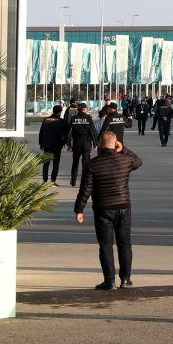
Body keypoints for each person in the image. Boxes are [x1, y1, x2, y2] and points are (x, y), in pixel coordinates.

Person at [74, 129, 142, 290]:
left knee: (105, 246)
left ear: (98, 145)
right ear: (115, 143)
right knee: (124, 244)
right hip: (123, 207)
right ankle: (125, 279)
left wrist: (79, 210)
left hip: (103, 208)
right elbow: (138, 161)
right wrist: (123, 148)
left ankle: (109, 281)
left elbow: (85, 189)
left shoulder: (92, 164)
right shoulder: (125, 160)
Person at [66, 103, 96, 187]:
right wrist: (95, 143)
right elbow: (93, 131)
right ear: (84, 109)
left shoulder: (73, 119)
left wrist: (68, 144)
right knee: (85, 163)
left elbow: (69, 133)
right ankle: (84, 181)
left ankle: (73, 181)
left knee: (75, 162)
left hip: (76, 143)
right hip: (86, 142)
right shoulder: (88, 118)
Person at [39, 105, 66, 185]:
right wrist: (63, 143)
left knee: (46, 163)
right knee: (55, 163)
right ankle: (53, 180)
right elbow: (65, 134)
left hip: (46, 145)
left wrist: (41, 143)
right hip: (57, 145)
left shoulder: (46, 120)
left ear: (53, 111)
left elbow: (41, 133)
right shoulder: (61, 121)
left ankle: (44, 180)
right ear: (60, 112)